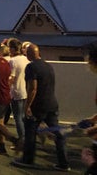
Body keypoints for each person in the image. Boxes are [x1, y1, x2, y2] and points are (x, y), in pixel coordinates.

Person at [11, 43, 70, 171]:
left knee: (30, 133)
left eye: (26, 53)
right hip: (51, 104)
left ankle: (28, 160)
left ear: (30, 54)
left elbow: (32, 88)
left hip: (38, 106)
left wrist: (27, 106)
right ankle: (63, 163)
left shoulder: (31, 67)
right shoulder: (48, 66)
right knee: (58, 133)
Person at [7, 37, 28, 150]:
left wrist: (6, 90)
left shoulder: (12, 61)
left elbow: (12, 78)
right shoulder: (25, 59)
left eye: (9, 48)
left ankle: (22, 141)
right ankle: (28, 138)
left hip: (16, 92)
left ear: (13, 49)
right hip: (25, 91)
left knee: (18, 118)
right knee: (24, 117)